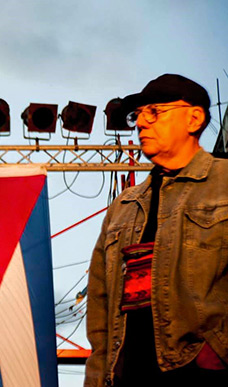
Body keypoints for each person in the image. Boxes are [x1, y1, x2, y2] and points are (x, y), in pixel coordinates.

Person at [85, 74, 228, 386]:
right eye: (138, 115)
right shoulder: (123, 206)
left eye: (155, 112)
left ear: (194, 118)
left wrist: (217, 349)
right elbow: (100, 307)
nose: (141, 124)